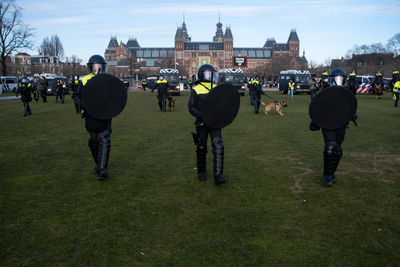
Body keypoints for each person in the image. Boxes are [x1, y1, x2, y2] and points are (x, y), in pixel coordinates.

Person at [311, 68, 355, 186]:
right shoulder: (325, 93)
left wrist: (353, 114)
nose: (338, 81)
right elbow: (318, 108)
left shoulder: (347, 94)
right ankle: (327, 175)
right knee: (330, 148)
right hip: (328, 124)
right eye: (336, 78)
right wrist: (315, 120)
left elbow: (351, 108)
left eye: (340, 79)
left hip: (341, 125)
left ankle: (332, 172)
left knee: (337, 150)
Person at [188, 64, 225, 185]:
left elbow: (222, 105)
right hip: (202, 123)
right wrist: (201, 116)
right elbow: (191, 107)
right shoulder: (196, 89)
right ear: (202, 74)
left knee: (218, 146)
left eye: (212, 74)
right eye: (209, 73)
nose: (211, 76)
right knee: (201, 147)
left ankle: (218, 175)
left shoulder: (216, 88)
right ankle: (201, 171)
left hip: (215, 122)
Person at [79, 55, 111, 180]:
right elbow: (78, 95)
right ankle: (98, 164)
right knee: (93, 141)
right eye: (95, 65)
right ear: (90, 66)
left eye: (99, 65)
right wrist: (81, 107)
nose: (97, 67)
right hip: (91, 115)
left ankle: (103, 169)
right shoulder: (85, 79)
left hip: (104, 115)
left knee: (104, 139)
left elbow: (112, 96)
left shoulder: (107, 79)